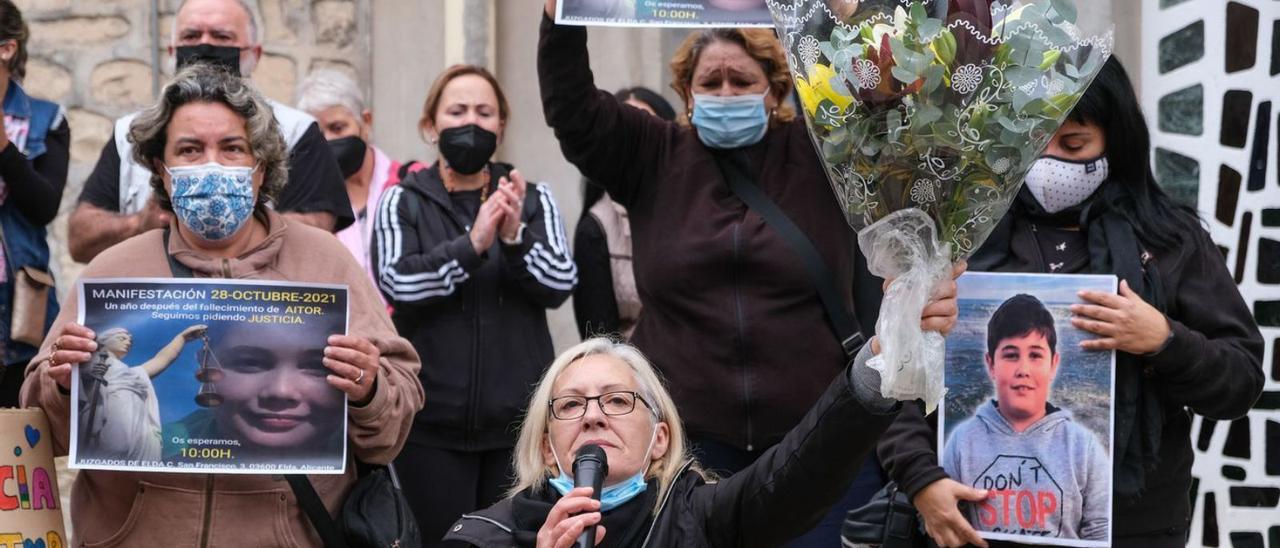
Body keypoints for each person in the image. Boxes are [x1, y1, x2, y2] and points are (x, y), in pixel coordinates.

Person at [21, 64, 424, 546]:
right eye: (190, 150)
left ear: (261, 168)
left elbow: (390, 429)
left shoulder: (324, 262)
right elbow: (48, 433)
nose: (212, 166)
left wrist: (369, 388)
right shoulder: (114, 271)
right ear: (161, 170)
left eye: (232, 148)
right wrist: (63, 386)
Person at [877, 57, 1265, 548]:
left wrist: (1164, 340)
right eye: (1034, 140)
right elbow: (891, 378)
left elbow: (1241, 382)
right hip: (974, 524)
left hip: (1134, 527)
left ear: (1115, 139)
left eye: (1073, 143)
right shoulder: (961, 237)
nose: (1050, 162)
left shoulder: (1169, 240)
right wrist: (921, 480)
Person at [539, 1, 888, 543]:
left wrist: (844, 18)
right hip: (689, 451)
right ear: (687, 95)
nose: (725, 93)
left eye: (742, 81)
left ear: (775, 92)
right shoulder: (652, 154)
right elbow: (574, 110)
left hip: (814, 440)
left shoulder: (820, 151)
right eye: (711, 82)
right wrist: (560, 17)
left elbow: (879, 104)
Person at [443, 268, 957, 547]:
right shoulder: (483, 537)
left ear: (660, 439)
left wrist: (884, 358)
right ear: (545, 447)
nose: (594, 415)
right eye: (571, 405)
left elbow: (800, 470)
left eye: (619, 400)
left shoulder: (701, 521)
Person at [371, 64, 577, 546]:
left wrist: (514, 239)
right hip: (429, 427)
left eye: (484, 112)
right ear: (430, 125)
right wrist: (473, 245)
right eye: (457, 111)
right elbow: (398, 283)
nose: (471, 123)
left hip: (517, 432)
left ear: (501, 125)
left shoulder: (531, 198)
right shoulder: (401, 200)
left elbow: (560, 282)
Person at [67, 0, 352, 264]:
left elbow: (319, 233)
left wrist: (239, 225)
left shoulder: (295, 130)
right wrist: (139, 224)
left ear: (254, 53)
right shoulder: (131, 133)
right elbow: (80, 240)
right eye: (191, 37)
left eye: (222, 37)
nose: (205, 46)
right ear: (171, 51)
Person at [941, 294, 1108, 541]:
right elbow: (947, 524)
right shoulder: (961, 441)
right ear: (991, 364)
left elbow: (1099, 531)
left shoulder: (1085, 447)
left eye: (1035, 355)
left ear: (1054, 364)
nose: (1023, 370)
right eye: (1010, 355)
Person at [0, 0, 70, 407]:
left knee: (14, 449)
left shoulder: (46, 119)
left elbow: (43, 206)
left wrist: (5, 147)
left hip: (18, 307)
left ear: (6, 49)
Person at [296, 69, 422, 289]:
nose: (328, 140)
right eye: (317, 132)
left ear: (365, 121)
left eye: (338, 128)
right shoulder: (304, 207)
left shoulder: (413, 184)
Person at [161, 320, 347, 465]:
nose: (280, 391)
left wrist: (371, 401)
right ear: (205, 363)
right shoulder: (157, 448)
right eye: (250, 363)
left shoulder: (361, 434)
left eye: (316, 366)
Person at [572, 87, 674, 339]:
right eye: (626, 131)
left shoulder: (701, 203)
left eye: (648, 127)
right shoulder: (596, 227)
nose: (639, 139)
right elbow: (600, 338)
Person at [78, 325, 205, 462]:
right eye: (122, 338)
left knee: (131, 452)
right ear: (103, 341)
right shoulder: (92, 362)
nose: (127, 343)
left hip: (136, 422)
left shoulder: (133, 373)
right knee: (115, 448)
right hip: (112, 414)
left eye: (130, 341)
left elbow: (161, 360)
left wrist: (182, 337)